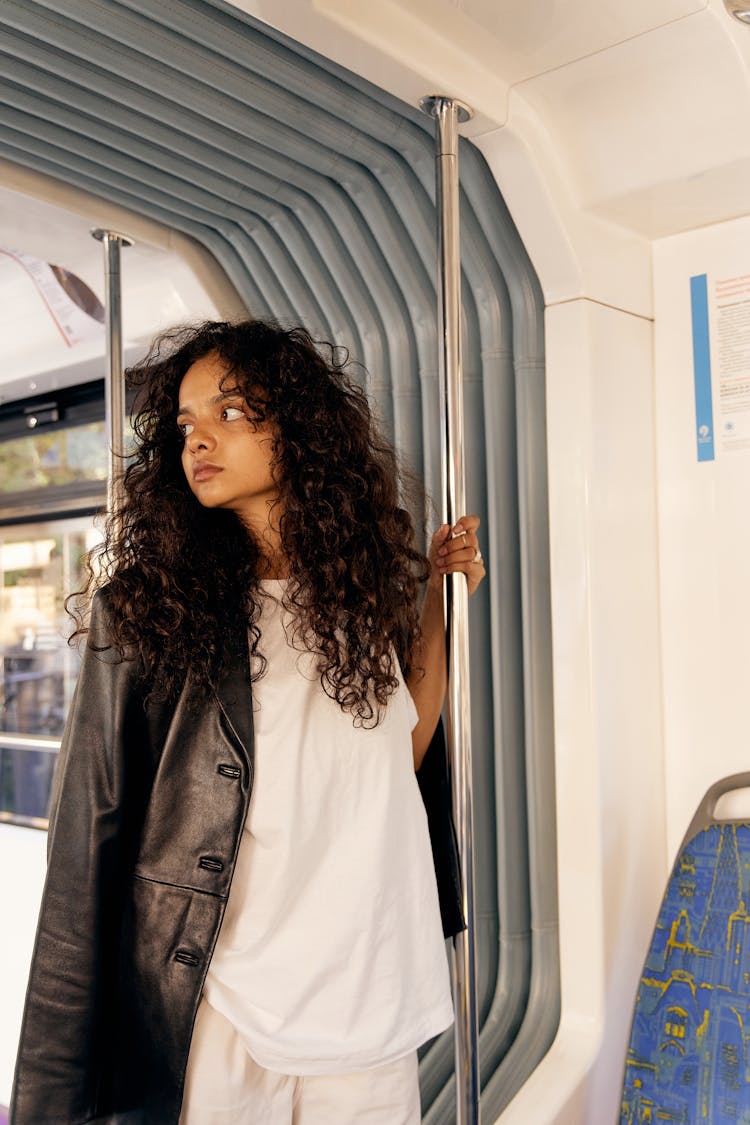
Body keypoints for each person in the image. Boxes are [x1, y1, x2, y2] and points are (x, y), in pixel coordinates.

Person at [10, 319, 486, 1125]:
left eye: (230, 414)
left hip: (372, 989)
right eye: (187, 425)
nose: (199, 440)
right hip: (227, 1002)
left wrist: (442, 603)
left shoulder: (360, 597)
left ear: (298, 427)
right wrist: (47, 1092)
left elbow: (393, 752)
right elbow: (85, 843)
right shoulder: (146, 612)